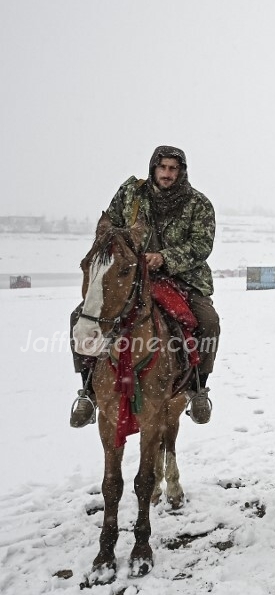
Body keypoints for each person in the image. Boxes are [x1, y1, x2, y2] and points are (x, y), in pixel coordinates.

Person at [70, 145, 220, 427]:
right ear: (153, 167)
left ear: (181, 172)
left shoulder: (198, 204)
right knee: (79, 317)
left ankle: (198, 388)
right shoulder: (131, 194)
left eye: (173, 169)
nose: (167, 174)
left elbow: (202, 245)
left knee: (209, 321)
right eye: (162, 167)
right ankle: (88, 390)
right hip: (130, 276)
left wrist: (164, 258)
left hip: (181, 278)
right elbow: (109, 229)